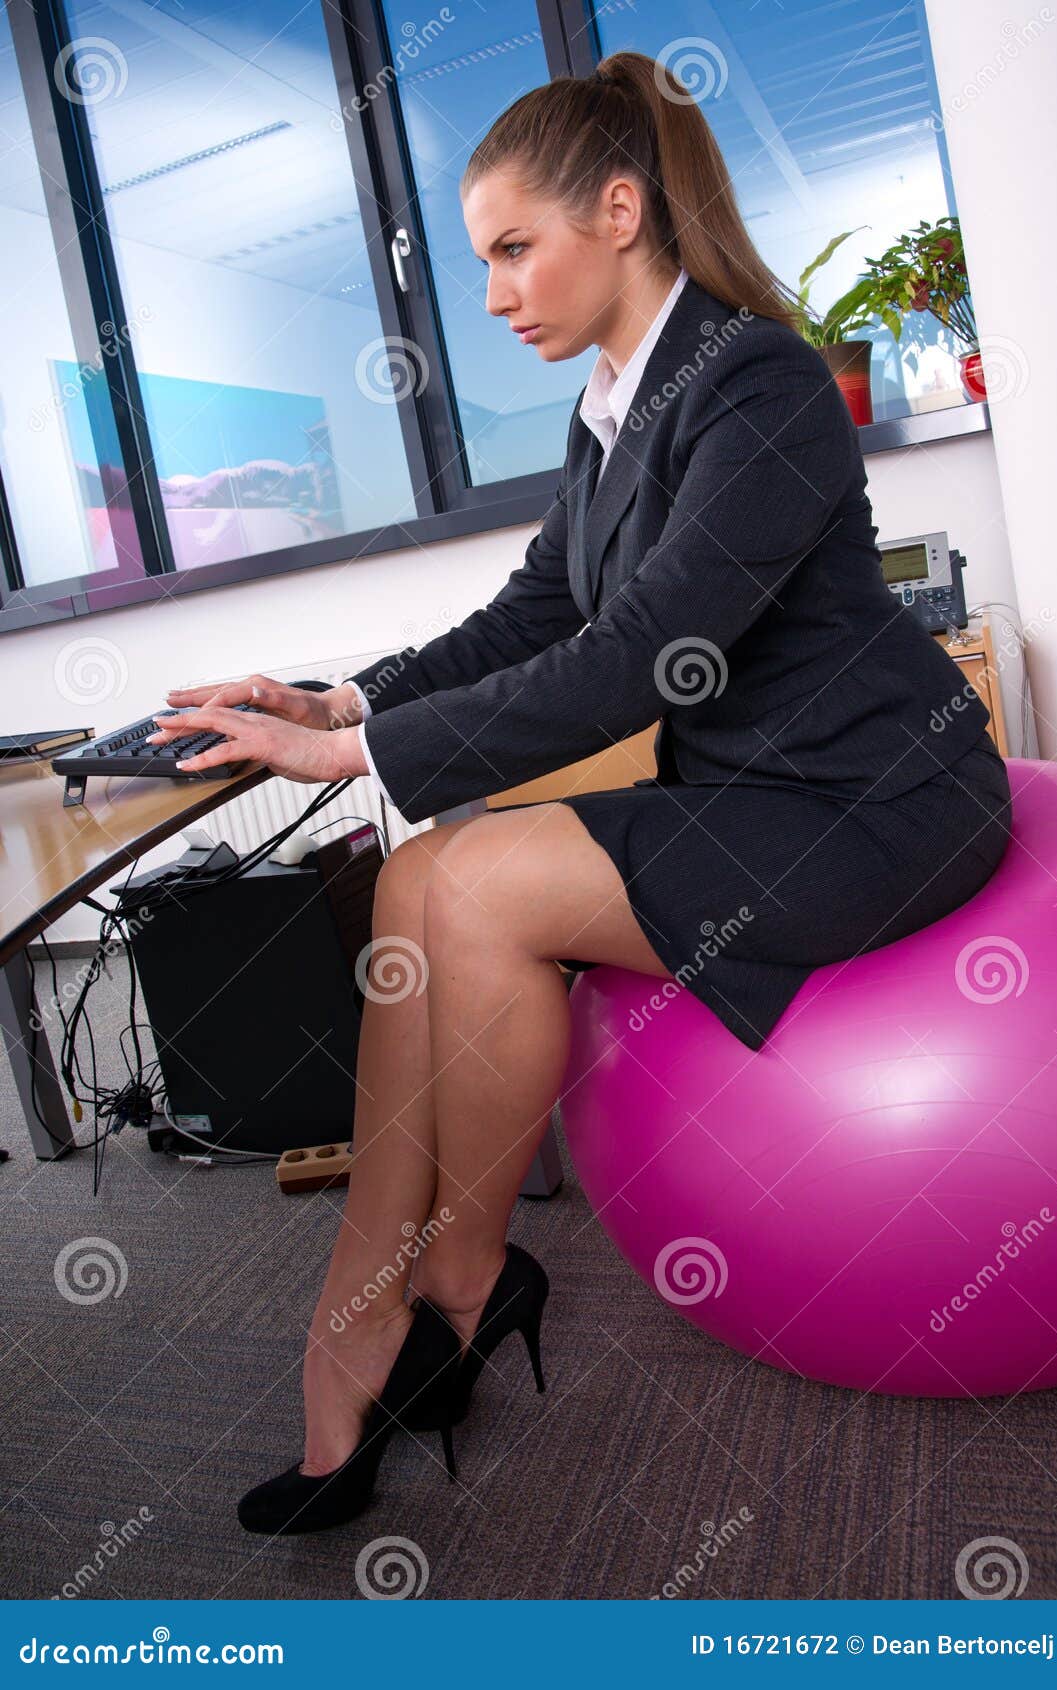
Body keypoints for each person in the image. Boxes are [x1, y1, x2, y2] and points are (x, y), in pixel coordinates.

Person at [148, 51, 1012, 1536]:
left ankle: (446, 1284)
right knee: (420, 878)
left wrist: (351, 761)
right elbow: (534, 613)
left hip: (874, 804)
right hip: (752, 792)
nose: (491, 296)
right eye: (482, 260)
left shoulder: (759, 379)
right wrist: (338, 701)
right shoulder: (613, 406)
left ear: (619, 211)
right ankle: (386, 1294)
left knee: (470, 886)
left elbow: (642, 655)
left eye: (511, 249)